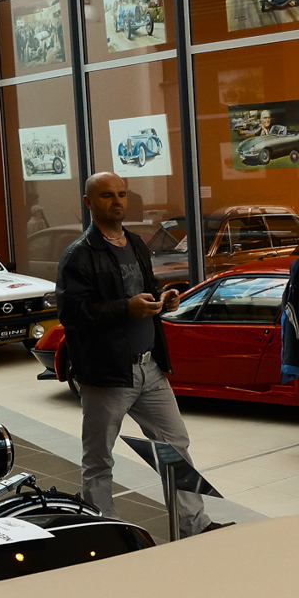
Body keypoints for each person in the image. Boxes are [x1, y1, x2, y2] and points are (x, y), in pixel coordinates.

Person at [56, 172, 210, 536]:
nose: (117, 201)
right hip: (107, 374)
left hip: (149, 368)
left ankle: (195, 526)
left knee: (175, 445)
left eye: (122, 194)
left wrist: (162, 298)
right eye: (107, 195)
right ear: (88, 202)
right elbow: (72, 314)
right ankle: (107, 532)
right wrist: (126, 308)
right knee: (99, 459)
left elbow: (147, 288)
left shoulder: (137, 243)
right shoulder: (79, 254)